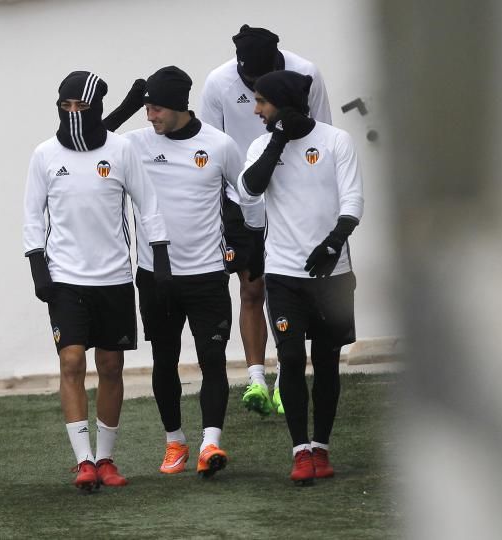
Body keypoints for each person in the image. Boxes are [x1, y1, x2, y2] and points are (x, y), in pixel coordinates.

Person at [105, 66, 260, 478]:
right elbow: (88, 145)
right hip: (155, 275)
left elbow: (246, 196)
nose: (149, 116)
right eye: (146, 108)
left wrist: (246, 249)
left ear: (177, 107)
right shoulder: (133, 145)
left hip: (207, 275)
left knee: (212, 359)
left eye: (155, 108)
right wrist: (124, 108)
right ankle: (175, 442)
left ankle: (211, 444)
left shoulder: (220, 145)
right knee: (164, 360)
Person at [23, 70, 171, 492]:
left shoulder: (121, 151)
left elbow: (149, 204)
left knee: (110, 365)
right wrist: (37, 265)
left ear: (97, 109)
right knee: (71, 362)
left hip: (114, 278)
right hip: (65, 277)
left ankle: (106, 458)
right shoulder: (45, 155)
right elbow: (33, 214)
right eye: (65, 107)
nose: (72, 114)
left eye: (81, 108)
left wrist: (159, 256)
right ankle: (83, 461)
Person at [235, 70, 363, 484]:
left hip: (332, 272)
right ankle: (299, 451)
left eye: (262, 102)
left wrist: (334, 242)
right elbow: (250, 189)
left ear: (284, 103)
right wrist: (278, 138)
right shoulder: (262, 143)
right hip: (284, 273)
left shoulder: (335, 140)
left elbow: (353, 198)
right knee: (290, 356)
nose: (255, 110)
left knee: (327, 362)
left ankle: (321, 449)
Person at [199, 25, 333, 416]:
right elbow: (211, 144)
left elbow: (323, 132)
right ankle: (257, 379)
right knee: (252, 289)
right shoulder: (218, 82)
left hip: (295, 198)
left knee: (289, 289)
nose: (256, 92)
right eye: (249, 82)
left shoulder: (306, 72)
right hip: (242, 198)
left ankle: (285, 376)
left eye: (261, 83)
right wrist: (225, 206)